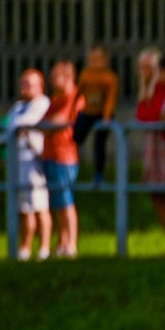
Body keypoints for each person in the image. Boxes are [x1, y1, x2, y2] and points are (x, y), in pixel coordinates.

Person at [0, 69, 53, 261]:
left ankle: (45, 248)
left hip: (34, 160)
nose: (24, 87)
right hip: (17, 160)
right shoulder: (19, 106)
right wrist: (15, 128)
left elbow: (25, 123)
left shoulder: (44, 104)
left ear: (40, 86)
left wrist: (16, 127)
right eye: (23, 83)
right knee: (24, 207)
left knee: (39, 204)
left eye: (29, 84)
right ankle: (25, 248)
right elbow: (6, 126)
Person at [135, 47, 165, 256]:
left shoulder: (163, 88)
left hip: (164, 145)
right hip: (151, 145)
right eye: (142, 67)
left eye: (149, 67)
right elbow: (141, 115)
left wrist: (150, 111)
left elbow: (154, 114)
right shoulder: (146, 90)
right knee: (156, 193)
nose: (145, 71)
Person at [41, 60, 86, 259]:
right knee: (57, 201)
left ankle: (71, 244)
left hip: (64, 155)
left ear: (68, 77)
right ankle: (62, 241)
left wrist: (46, 125)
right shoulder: (56, 98)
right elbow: (44, 122)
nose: (51, 79)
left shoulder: (73, 96)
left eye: (55, 75)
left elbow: (60, 121)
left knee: (66, 200)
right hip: (49, 153)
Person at [75, 44, 118, 188]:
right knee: (75, 139)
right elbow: (78, 93)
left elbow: (110, 98)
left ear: (106, 60)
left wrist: (106, 116)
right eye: (92, 59)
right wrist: (73, 111)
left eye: (99, 59)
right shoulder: (86, 75)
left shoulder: (109, 77)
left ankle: (99, 175)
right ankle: (71, 169)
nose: (95, 62)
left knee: (99, 144)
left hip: (103, 114)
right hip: (87, 112)